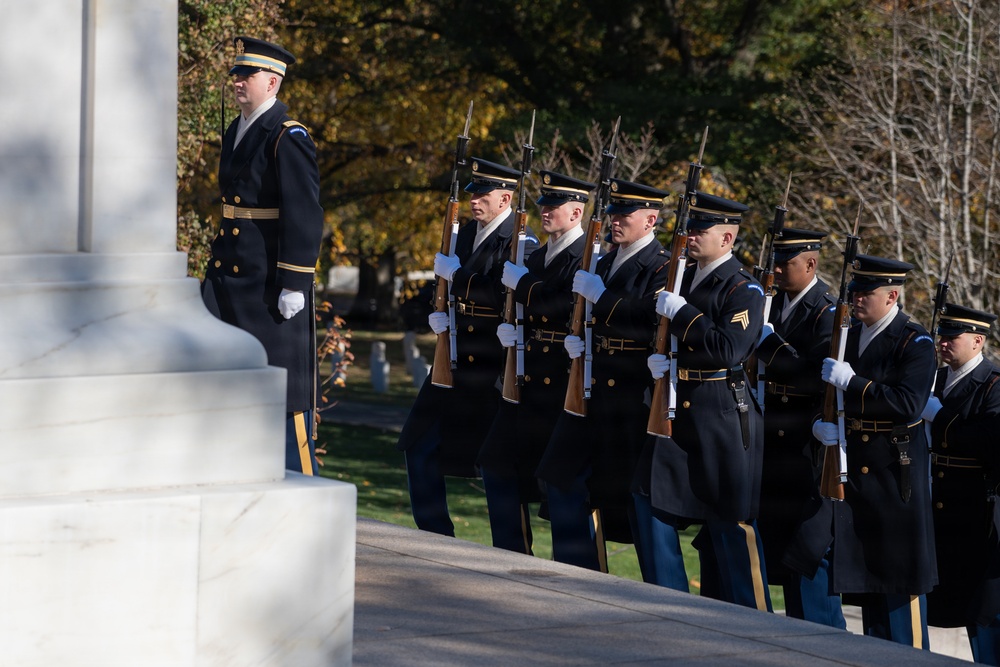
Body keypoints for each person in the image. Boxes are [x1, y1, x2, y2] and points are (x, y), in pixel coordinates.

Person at [536, 178, 672, 580]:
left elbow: (651, 318)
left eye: (624, 215)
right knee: (558, 478)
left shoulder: (663, 265)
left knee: (639, 504)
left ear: (650, 220)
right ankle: (579, 575)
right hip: (592, 389)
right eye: (612, 213)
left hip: (631, 397)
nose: (615, 221)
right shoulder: (604, 260)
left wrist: (602, 297)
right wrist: (576, 341)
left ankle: (663, 594)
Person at [201, 36, 324, 474]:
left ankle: (299, 482)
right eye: (235, 74)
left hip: (268, 283)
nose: (236, 82)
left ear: (271, 83)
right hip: (231, 276)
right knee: (219, 377)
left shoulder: (287, 136)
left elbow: (304, 213)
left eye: (246, 75)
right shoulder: (238, 127)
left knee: (285, 391)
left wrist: (294, 282)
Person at [396, 158, 538, 536]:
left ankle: (510, 550)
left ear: (505, 198)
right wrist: (438, 311)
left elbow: (502, 293)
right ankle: (437, 536)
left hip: (492, 367)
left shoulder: (519, 241)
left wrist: (456, 278)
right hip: (455, 359)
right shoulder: (461, 234)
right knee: (417, 443)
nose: (475, 200)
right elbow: (442, 287)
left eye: (484, 194)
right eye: (473, 193)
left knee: (497, 467)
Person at [645, 192, 771, 611]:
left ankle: (756, 621)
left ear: (728, 238)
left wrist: (682, 315)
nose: (691, 236)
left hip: (722, 412)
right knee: (649, 497)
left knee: (729, 523)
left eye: (702, 230)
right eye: (690, 228)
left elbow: (727, 349)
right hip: (678, 403)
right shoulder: (681, 277)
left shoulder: (744, 289)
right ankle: (671, 605)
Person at [811, 254, 937, 648]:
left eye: (866, 292)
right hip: (856, 468)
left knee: (898, 583)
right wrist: (822, 422)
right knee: (868, 581)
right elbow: (828, 394)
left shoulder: (915, 342)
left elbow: (908, 404)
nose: (856, 298)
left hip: (895, 471)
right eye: (853, 291)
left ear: (892, 295)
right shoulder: (848, 333)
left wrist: (854, 383)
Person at [477, 171, 595, 554]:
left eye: (554, 206)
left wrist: (524, 286)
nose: (545, 211)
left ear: (576, 212)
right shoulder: (541, 253)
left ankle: (575, 570)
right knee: (495, 464)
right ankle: (511, 555)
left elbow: (565, 304)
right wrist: (511, 331)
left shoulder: (586, 255)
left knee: (561, 483)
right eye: (543, 204)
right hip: (528, 379)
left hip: (562, 382)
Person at [754, 229, 845, 627]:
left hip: (804, 443)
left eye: (784, 263)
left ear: (810, 264)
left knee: (805, 552)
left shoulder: (828, 312)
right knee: (774, 545)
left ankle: (822, 637)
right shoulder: (772, 302)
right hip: (768, 435)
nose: (775, 270)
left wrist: (768, 343)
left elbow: (812, 376)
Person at [922, 303, 1000, 664]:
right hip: (931, 502)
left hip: (972, 511)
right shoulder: (933, 377)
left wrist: (940, 418)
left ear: (978, 340)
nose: (943, 342)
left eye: (953, 336)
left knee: (981, 608)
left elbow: (988, 441)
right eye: (942, 335)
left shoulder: (994, 384)